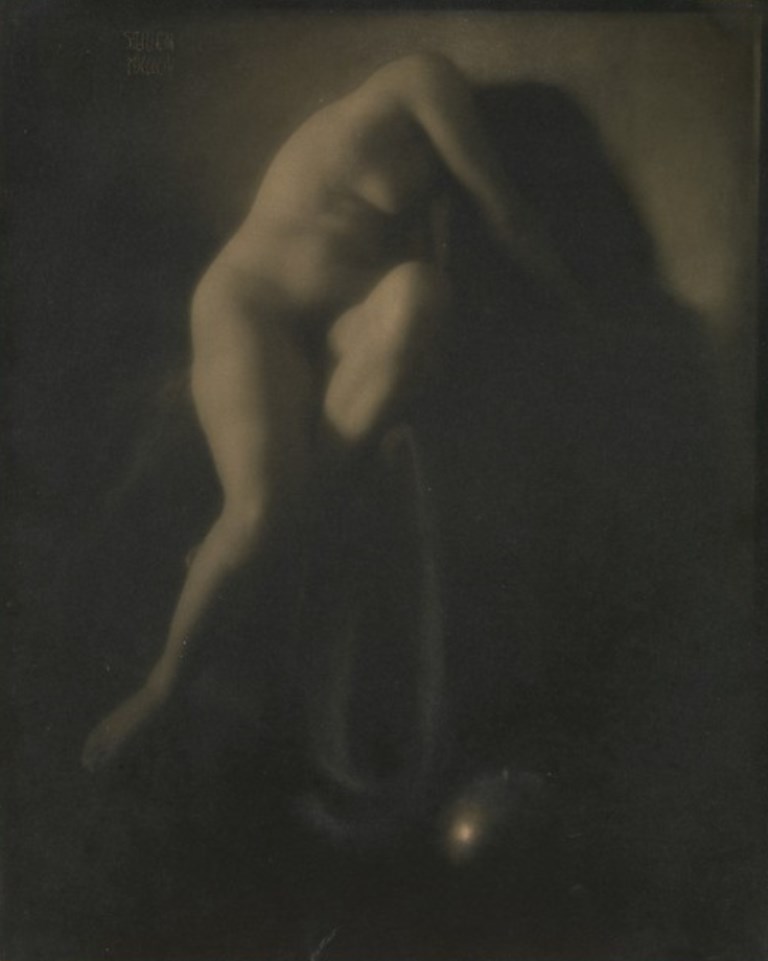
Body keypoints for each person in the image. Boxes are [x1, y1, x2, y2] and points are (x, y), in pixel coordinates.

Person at [81, 51, 575, 773]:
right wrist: (580, 311)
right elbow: (510, 215)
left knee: (421, 292)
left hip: (335, 323)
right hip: (254, 305)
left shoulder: (440, 187)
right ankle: (163, 688)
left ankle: (293, 535)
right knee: (258, 510)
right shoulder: (422, 80)